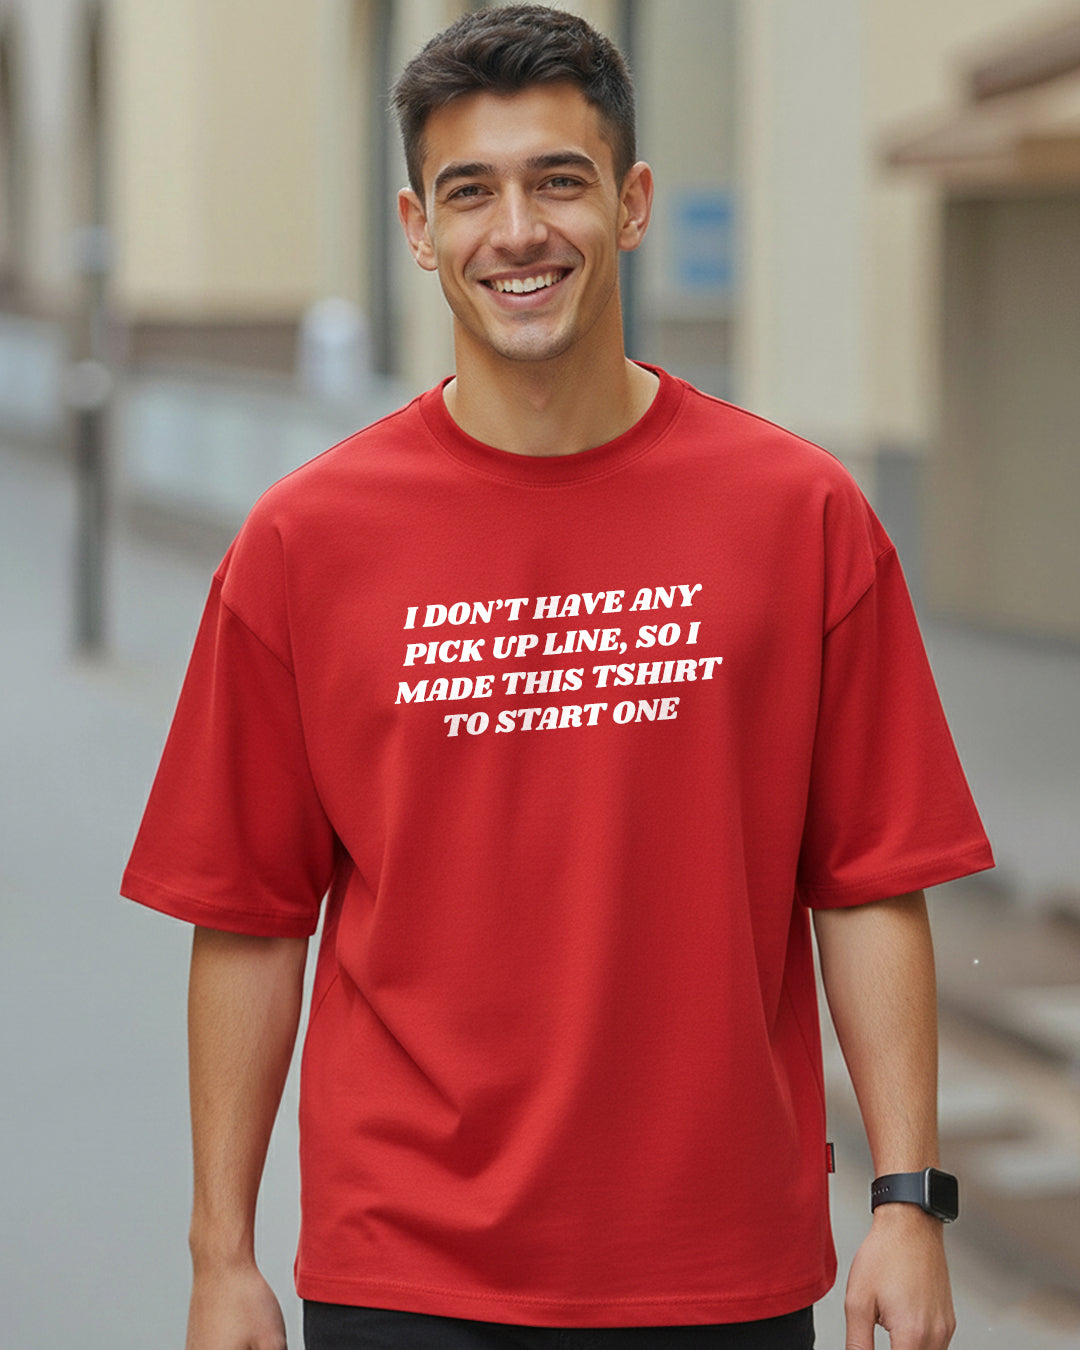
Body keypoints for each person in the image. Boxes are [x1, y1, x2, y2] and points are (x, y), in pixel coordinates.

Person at [122, 7, 993, 1349]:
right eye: (468, 191)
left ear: (631, 203)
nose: (515, 230)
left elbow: (871, 877)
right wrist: (220, 1252)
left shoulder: (800, 516)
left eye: (559, 181)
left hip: (718, 1266)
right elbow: (247, 911)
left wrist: (908, 1200)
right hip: (404, 1265)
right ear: (418, 228)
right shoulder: (303, 545)